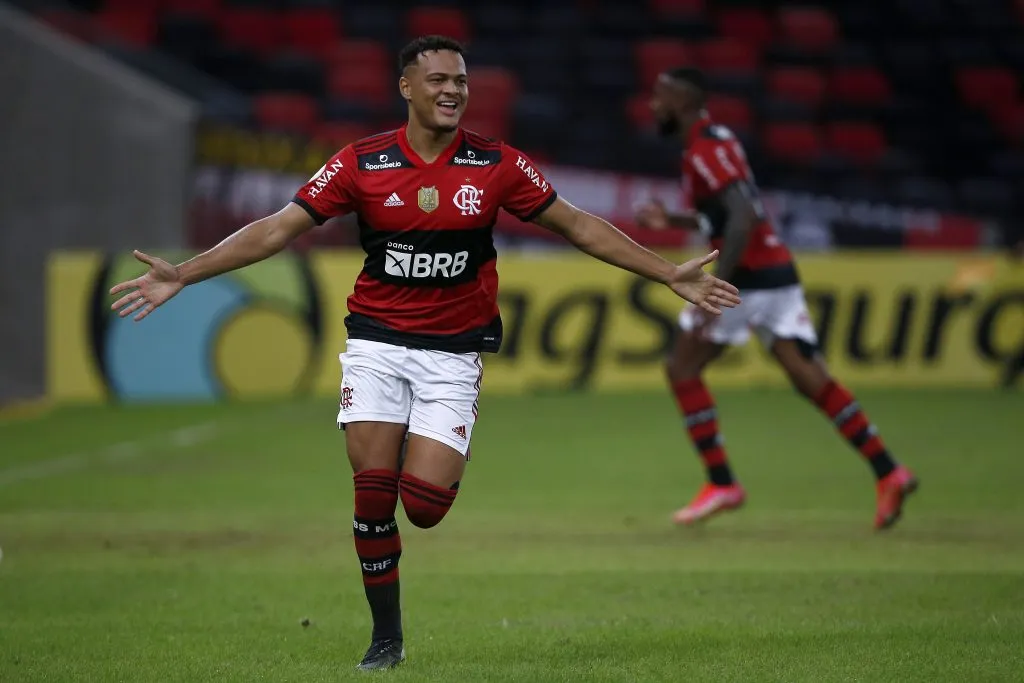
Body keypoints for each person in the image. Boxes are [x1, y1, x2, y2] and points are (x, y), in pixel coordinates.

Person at [109, 37, 741, 671]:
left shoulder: (496, 165)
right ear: (407, 88)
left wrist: (666, 272)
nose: (452, 90)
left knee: (425, 507)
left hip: (452, 356)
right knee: (373, 489)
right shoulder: (362, 162)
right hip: (377, 345)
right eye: (437, 79)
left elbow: (576, 224)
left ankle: (422, 456)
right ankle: (386, 640)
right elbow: (278, 228)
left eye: (460, 81)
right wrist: (184, 275)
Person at [634, 67, 919, 531]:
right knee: (812, 380)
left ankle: (722, 481)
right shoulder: (718, 138)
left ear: (683, 102)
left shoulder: (704, 152)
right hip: (777, 270)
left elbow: (742, 219)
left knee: (681, 368)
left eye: (660, 97)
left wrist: (713, 287)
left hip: (748, 278)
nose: (652, 106)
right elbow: (733, 215)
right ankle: (890, 471)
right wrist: (674, 219)